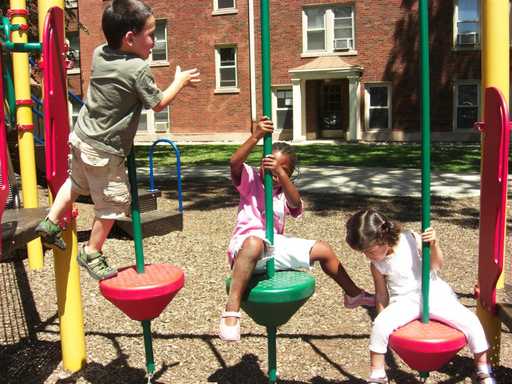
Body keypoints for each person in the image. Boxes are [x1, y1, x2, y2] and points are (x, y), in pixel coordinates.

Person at [35, 0, 200, 280]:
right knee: (113, 205)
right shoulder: (137, 69)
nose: (154, 40)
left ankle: (50, 223)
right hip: (104, 149)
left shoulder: (100, 53)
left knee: (74, 184)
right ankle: (92, 251)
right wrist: (180, 82)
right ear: (130, 38)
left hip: (81, 136)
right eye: (151, 34)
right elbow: (157, 103)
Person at [219, 116, 375, 342]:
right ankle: (231, 311)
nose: (275, 172)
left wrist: (280, 174)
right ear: (262, 162)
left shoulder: (284, 193)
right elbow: (234, 163)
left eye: (284, 170)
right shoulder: (251, 179)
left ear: (289, 175)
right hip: (245, 250)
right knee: (254, 242)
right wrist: (256, 136)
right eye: (271, 165)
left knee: (324, 249)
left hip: (271, 248)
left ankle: (353, 294)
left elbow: (296, 202)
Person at [345, 209, 495, 384]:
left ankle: (483, 368)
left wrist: (434, 245)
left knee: (470, 321)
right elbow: (381, 294)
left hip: (434, 293)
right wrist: (382, 318)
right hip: (404, 301)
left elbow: (436, 265)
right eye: (363, 252)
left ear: (383, 237)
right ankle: (377, 374)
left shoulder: (409, 239)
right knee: (379, 325)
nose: (367, 256)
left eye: (369, 251)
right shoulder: (377, 264)